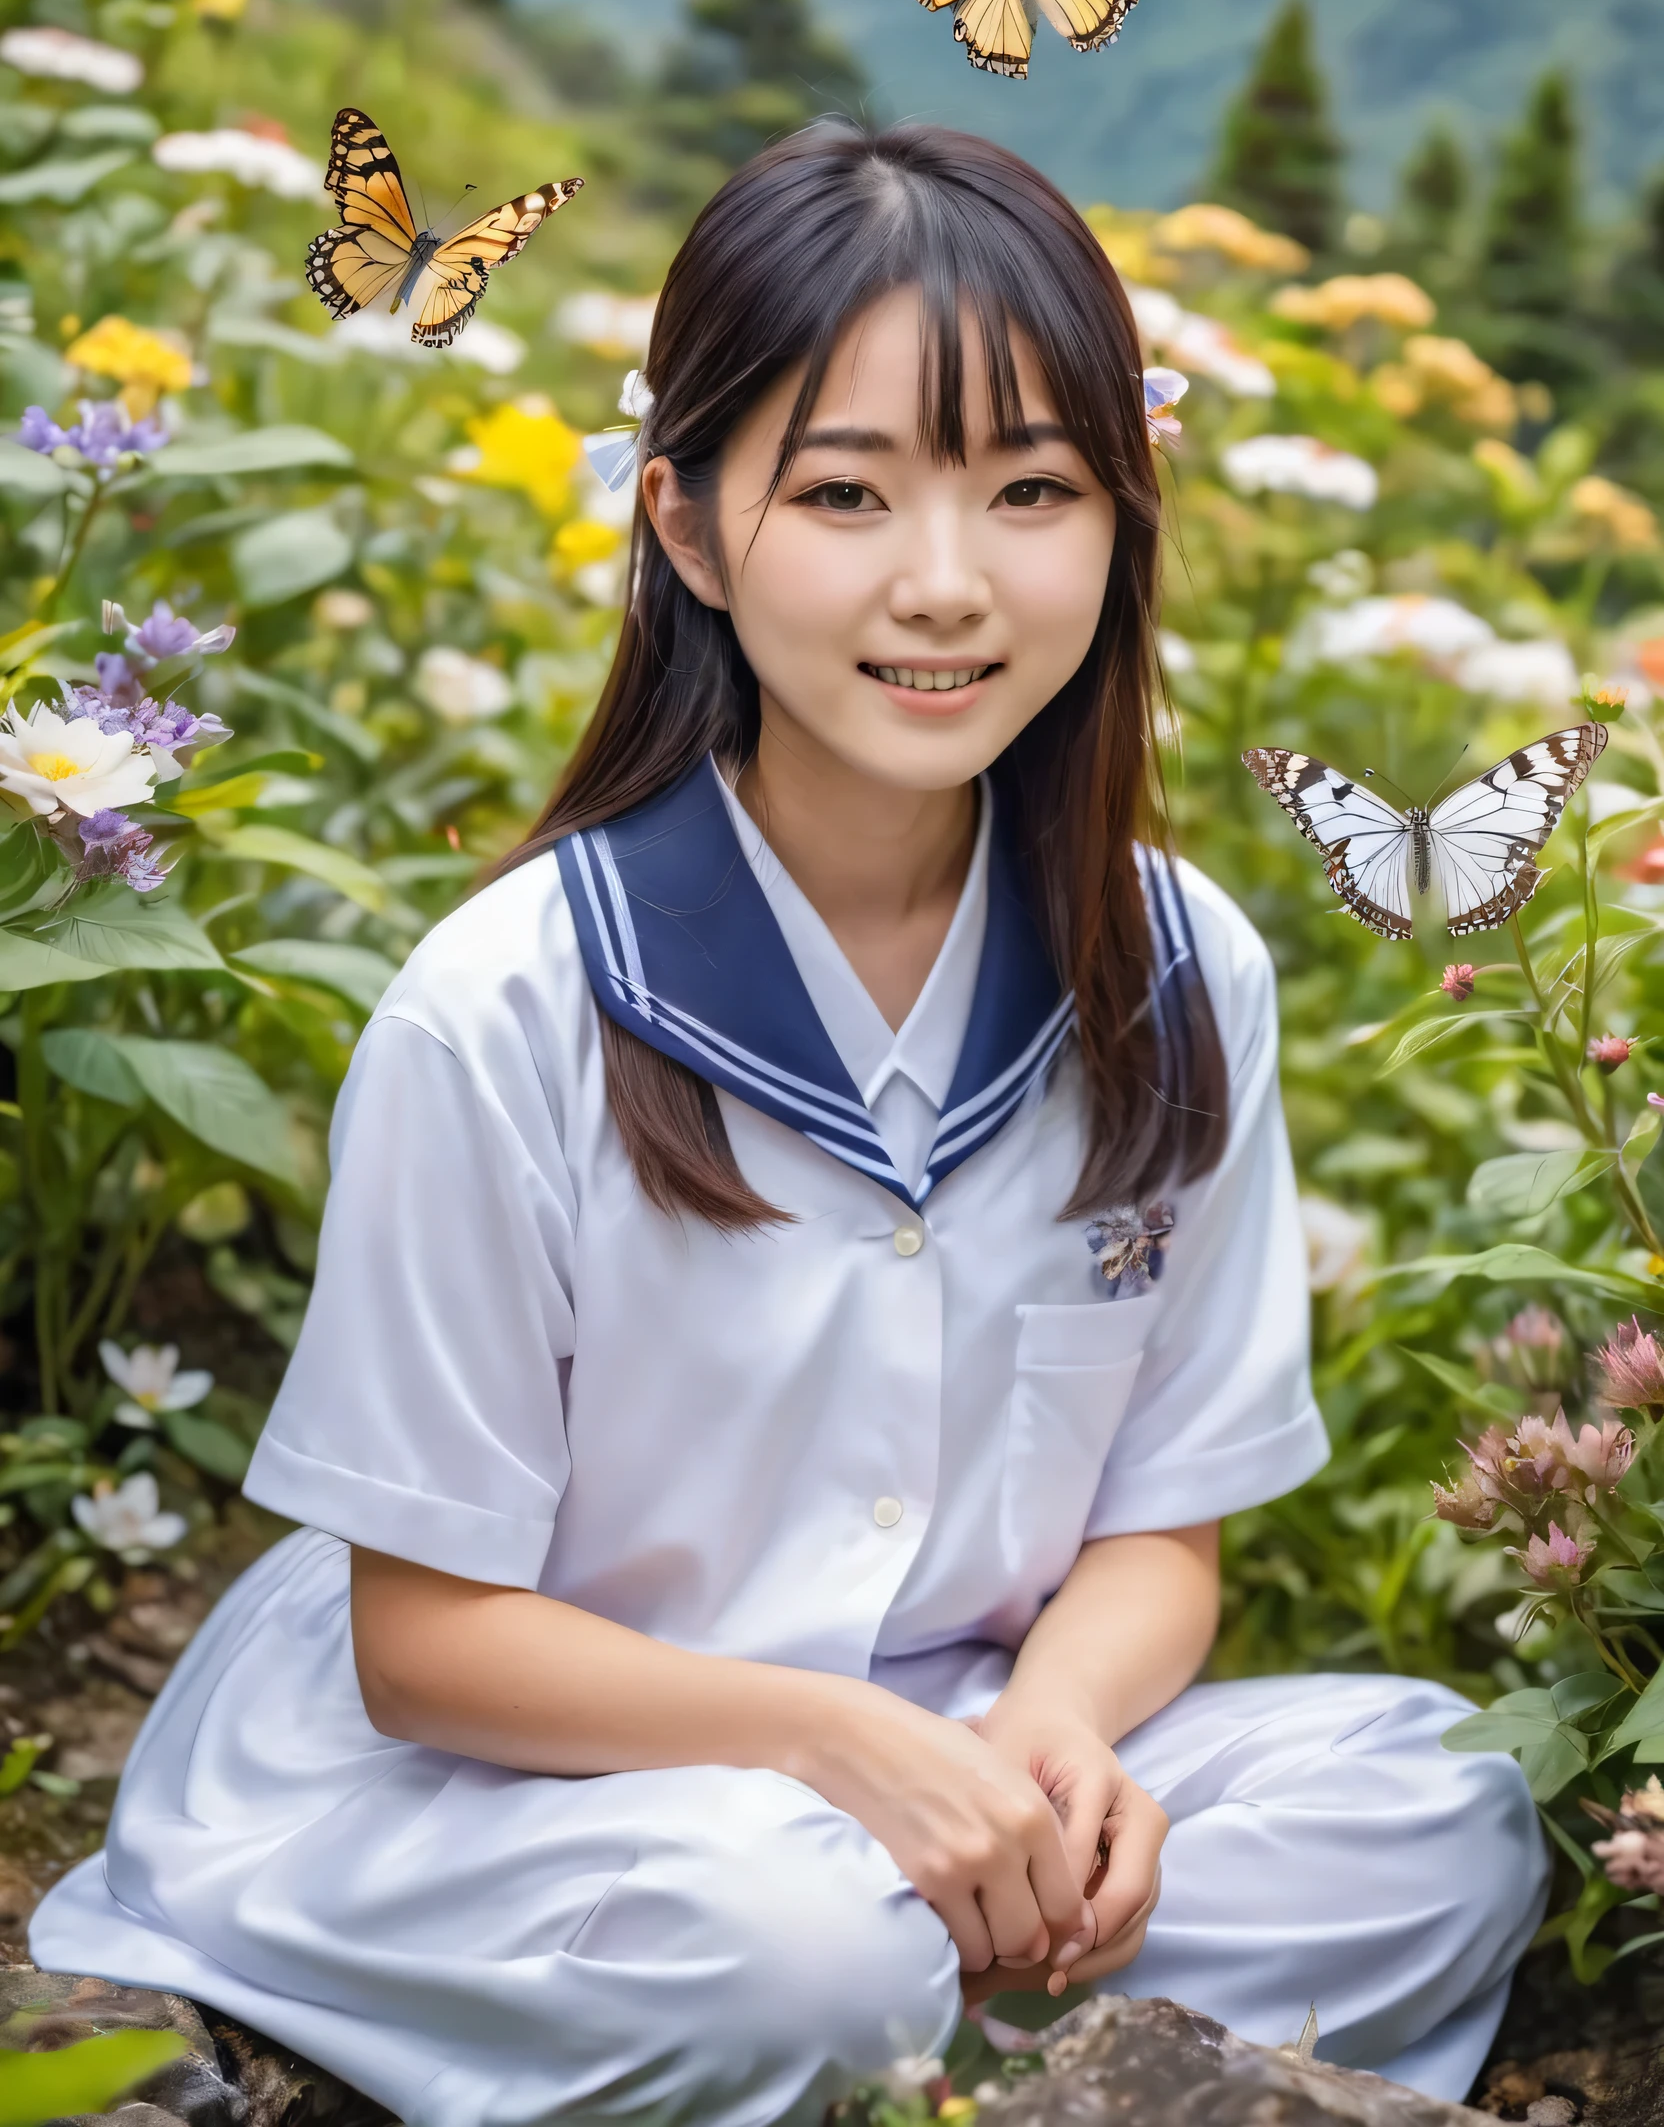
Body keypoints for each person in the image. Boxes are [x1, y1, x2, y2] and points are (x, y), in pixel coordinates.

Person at [31, 122, 1548, 2127]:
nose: (944, 583)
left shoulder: (1181, 971)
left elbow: (1157, 1535)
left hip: (946, 1744)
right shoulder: (509, 1008)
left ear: (1124, 511)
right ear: (688, 523)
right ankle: (936, 2026)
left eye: (1029, 489)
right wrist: (843, 1754)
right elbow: (424, 1647)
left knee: (1441, 1811)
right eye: (844, 493)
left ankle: (925, 2015)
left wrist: (1053, 1741)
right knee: (795, 1950)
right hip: (514, 1789)